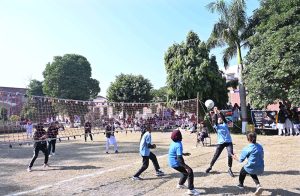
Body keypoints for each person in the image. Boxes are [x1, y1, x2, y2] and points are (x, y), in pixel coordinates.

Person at [169, 130, 200, 195]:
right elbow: (179, 158)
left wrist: (183, 154)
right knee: (189, 171)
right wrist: (185, 166)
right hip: (176, 163)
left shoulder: (173, 143)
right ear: (179, 136)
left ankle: (180, 184)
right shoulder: (178, 144)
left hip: (172, 162)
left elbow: (175, 153)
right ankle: (191, 190)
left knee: (185, 173)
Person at [206, 106, 234, 177]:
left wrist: (218, 111)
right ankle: (210, 166)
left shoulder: (225, 124)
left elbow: (223, 118)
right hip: (220, 143)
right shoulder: (216, 126)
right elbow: (215, 121)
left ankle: (229, 169)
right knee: (216, 155)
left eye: (220, 119)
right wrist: (215, 113)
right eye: (218, 119)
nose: (219, 119)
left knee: (230, 154)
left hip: (228, 142)